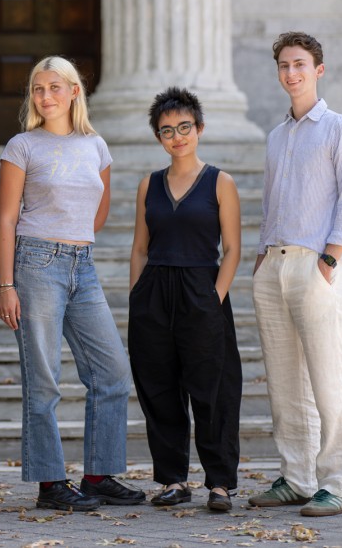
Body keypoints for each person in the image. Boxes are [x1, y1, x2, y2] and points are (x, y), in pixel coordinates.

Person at [0, 56, 145, 511]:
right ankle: (50, 484)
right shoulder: (22, 146)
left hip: (83, 263)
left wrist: (79, 239)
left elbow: (99, 207)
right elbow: (5, 219)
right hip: (37, 261)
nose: (45, 96)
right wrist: (6, 284)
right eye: (38, 89)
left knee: (113, 372)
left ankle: (98, 476)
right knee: (44, 380)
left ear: (74, 91)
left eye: (55, 87)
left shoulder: (95, 145)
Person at [248, 32, 342, 517]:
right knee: (284, 382)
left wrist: (329, 260)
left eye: (299, 64)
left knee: (327, 379)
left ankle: (337, 483)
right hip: (272, 265)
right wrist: (259, 260)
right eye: (283, 65)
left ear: (319, 69)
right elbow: (269, 204)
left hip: (318, 265)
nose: (290, 73)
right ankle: (296, 478)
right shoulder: (277, 137)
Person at [127, 87, 242, 511]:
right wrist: (138, 296)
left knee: (213, 388)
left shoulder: (220, 182)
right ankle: (173, 479)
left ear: (200, 128)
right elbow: (139, 247)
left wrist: (214, 296)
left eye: (184, 128)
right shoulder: (149, 185)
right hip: (154, 291)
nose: (177, 137)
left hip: (202, 289)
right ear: (159, 137)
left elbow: (232, 248)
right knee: (159, 387)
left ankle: (220, 482)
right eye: (167, 131)